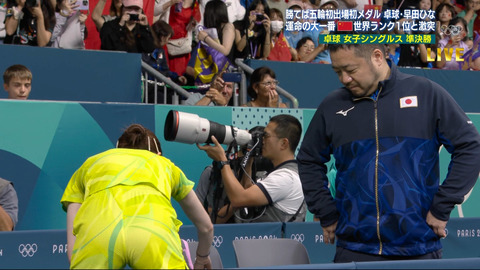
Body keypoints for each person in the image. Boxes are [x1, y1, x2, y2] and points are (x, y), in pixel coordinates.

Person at [297, 31, 480, 263]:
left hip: (419, 249)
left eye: (351, 70)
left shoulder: (426, 93)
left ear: (377, 56)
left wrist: (443, 204)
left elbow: (470, 146)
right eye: (337, 72)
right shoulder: (332, 105)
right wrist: (325, 210)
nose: (344, 79)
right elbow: (308, 159)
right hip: (354, 249)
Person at [60, 124, 214, 269]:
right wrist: (201, 259)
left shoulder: (90, 164)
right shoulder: (165, 165)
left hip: (99, 237)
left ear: (118, 150)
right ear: (158, 154)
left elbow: (72, 251)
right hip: (153, 236)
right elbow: (206, 227)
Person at [197, 114, 306, 223]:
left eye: (266, 136)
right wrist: (250, 157)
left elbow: (239, 199)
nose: (261, 140)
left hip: (274, 239)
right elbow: (248, 189)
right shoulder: (288, 173)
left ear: (284, 143)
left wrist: (222, 160)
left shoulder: (286, 178)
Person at [195, 126, 274, 224]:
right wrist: (239, 199)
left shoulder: (271, 176)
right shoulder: (214, 172)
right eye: (244, 150)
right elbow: (208, 220)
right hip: (220, 235)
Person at [142, 20, 187, 103]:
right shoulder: (144, 49)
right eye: (168, 38)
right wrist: (163, 78)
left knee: (179, 95)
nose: (167, 41)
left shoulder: (160, 51)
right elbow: (147, 70)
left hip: (161, 86)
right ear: (162, 37)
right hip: (148, 88)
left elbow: (165, 70)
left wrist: (177, 77)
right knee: (160, 98)